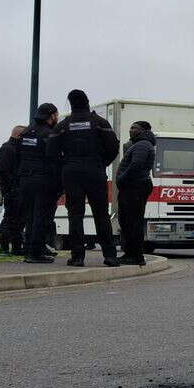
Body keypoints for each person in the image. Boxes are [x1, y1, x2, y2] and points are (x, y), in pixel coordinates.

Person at [54, 89, 120, 267]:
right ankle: (110, 256)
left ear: (70, 104)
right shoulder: (99, 122)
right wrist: (101, 163)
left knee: (75, 215)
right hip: (95, 171)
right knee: (101, 214)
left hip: (71, 172)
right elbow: (114, 147)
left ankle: (77, 257)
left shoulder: (63, 125)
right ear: (87, 102)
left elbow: (50, 151)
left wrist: (65, 165)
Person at [18, 103, 61, 263]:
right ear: (51, 116)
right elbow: (54, 159)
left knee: (30, 217)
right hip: (43, 180)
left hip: (25, 179)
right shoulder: (49, 134)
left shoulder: (26, 132)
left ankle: (28, 249)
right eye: (56, 114)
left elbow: (18, 155)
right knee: (41, 217)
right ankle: (35, 252)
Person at [115, 121, 155, 266]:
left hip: (135, 187)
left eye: (134, 128)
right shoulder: (138, 144)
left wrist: (121, 179)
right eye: (130, 127)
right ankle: (130, 254)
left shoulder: (143, 145)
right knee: (126, 222)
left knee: (133, 222)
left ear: (143, 130)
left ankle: (136, 256)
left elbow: (136, 165)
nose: (130, 130)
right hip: (132, 187)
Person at [0, 125, 25, 256]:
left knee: (18, 220)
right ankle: (5, 248)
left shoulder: (13, 148)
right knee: (10, 219)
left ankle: (16, 247)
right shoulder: (7, 149)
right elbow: (3, 171)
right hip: (12, 190)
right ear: (19, 136)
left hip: (15, 188)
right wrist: (12, 187)